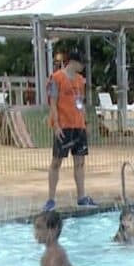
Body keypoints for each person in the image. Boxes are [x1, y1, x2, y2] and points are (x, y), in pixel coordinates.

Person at [45, 50, 96, 212]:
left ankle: (81, 196)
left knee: (80, 162)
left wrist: (85, 122)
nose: (83, 67)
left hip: (78, 125)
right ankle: (51, 199)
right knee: (56, 162)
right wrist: (56, 125)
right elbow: (53, 103)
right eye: (81, 63)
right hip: (64, 125)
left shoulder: (81, 80)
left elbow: (81, 102)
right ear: (73, 62)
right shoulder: (56, 78)